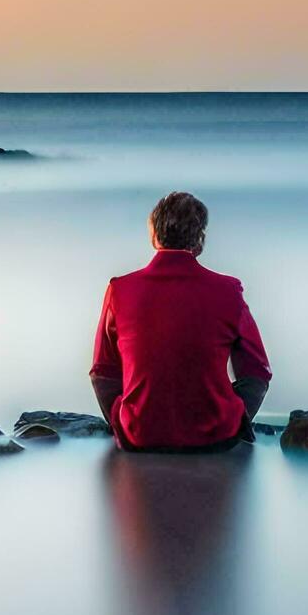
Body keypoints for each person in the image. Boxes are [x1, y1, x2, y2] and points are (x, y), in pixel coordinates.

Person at [90, 191, 272, 452]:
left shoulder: (120, 290)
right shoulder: (229, 291)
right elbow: (257, 370)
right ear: (200, 240)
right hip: (215, 435)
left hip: (139, 435)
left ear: (154, 235)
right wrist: (236, 416)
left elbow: (102, 371)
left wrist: (123, 421)